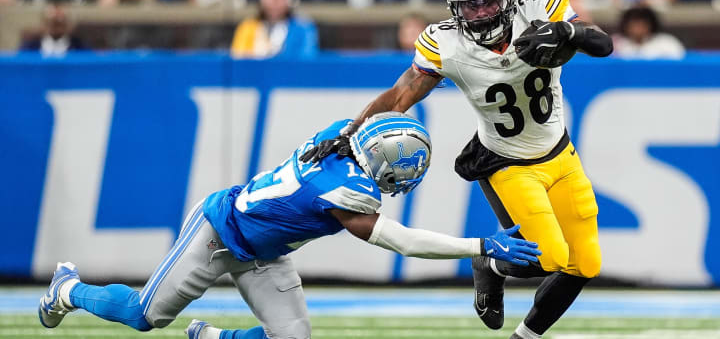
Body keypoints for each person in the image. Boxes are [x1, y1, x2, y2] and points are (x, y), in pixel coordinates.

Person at [302, 0, 613, 339]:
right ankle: (488, 264)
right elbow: (400, 96)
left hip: (560, 153)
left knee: (585, 264)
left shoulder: (539, 9)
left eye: (488, 1)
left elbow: (603, 44)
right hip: (506, 161)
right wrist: (349, 132)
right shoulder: (446, 42)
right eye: (470, 5)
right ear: (455, 8)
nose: (481, 13)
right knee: (548, 257)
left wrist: (570, 32)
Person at [37, 112, 541, 339]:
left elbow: (373, 118)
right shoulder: (349, 191)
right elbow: (402, 241)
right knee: (144, 317)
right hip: (219, 233)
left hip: (265, 249)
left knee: (293, 338)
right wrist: (481, 243)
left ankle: (211, 337)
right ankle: (68, 288)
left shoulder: (339, 135)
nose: (402, 182)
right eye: (403, 172)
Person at [230, 0, 319, 59]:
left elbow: (307, 57)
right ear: (262, 0)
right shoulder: (248, 27)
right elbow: (238, 57)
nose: (274, 3)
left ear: (290, 1)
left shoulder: (303, 28)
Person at [612, 5, 685, 59]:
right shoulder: (615, 43)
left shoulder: (667, 43)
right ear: (626, 25)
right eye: (634, 24)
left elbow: (678, 65)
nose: (638, 28)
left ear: (651, 25)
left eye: (642, 24)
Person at [20, 5, 86, 56]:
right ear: (43, 24)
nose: (55, 27)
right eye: (51, 22)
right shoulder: (29, 47)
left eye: (59, 23)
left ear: (68, 24)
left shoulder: (80, 48)